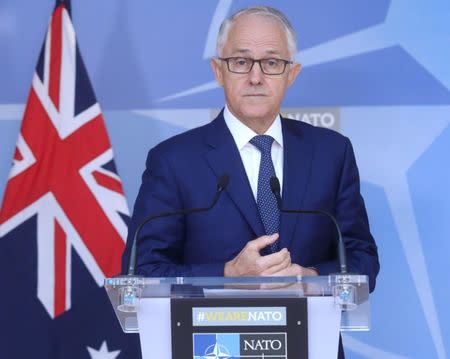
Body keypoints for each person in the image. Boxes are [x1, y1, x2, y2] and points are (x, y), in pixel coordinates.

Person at [122, 6, 379, 289]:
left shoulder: (331, 153)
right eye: (241, 62)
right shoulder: (173, 161)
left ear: (291, 74)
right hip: (210, 332)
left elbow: (362, 259)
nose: (255, 78)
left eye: (271, 63)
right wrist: (227, 275)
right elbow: (142, 273)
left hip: (309, 332)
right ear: (218, 71)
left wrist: (311, 278)